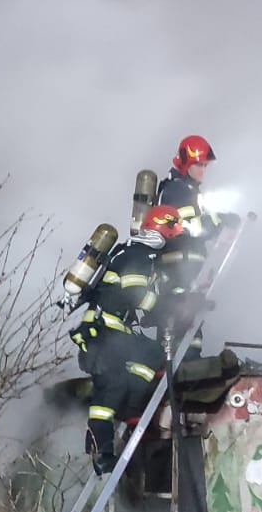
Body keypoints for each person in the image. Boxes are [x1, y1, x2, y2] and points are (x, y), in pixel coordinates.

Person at [70, 204, 182, 475]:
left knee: (152, 356)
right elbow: (136, 295)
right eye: (173, 231)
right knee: (111, 388)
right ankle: (100, 451)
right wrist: (168, 306)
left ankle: (132, 411)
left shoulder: (136, 253)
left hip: (114, 330)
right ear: (162, 229)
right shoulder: (138, 254)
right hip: (102, 332)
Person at [153, 134, 223, 360]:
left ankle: (187, 375)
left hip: (188, 270)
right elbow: (189, 227)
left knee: (191, 332)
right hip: (176, 269)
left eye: (205, 165)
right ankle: (176, 381)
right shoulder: (176, 190)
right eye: (198, 165)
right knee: (178, 327)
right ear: (185, 163)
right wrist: (219, 223)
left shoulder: (189, 192)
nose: (203, 170)